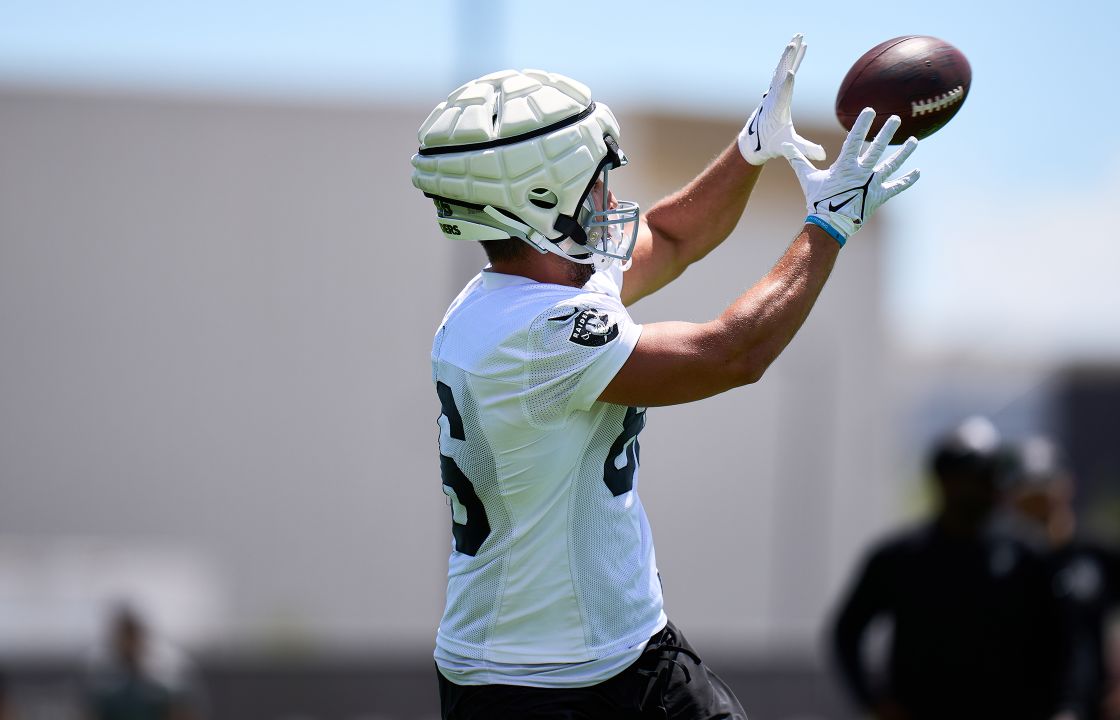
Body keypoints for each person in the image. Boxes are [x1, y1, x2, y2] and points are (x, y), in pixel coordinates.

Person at [410, 35, 920, 719]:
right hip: (540, 684)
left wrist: (750, 149)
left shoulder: (531, 287)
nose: (610, 193)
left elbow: (673, 238)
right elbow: (730, 355)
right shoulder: (537, 333)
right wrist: (828, 225)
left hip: (622, 651)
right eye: (595, 177)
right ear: (538, 194)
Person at [830, 417, 1068, 720]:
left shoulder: (1027, 558)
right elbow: (847, 632)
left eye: (985, 478)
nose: (974, 489)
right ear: (941, 479)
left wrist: (1061, 707)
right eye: (963, 477)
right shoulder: (900, 557)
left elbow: (1062, 644)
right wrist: (874, 701)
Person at [1007, 436, 1120, 720]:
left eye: (1045, 490)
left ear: (1066, 485)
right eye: (1029, 495)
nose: (1040, 503)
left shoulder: (1097, 556)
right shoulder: (1006, 562)